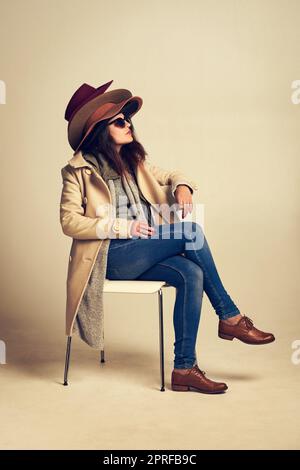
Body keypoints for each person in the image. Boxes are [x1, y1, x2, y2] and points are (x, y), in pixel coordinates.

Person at [61, 80, 275, 394]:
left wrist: (183, 188)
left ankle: (184, 369)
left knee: (192, 273)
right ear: (99, 130)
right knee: (190, 231)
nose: (128, 125)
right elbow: (68, 221)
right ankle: (230, 317)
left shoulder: (134, 162)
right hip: (112, 257)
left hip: (142, 251)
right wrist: (121, 227)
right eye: (120, 122)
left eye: (128, 120)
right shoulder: (77, 171)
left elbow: (174, 173)